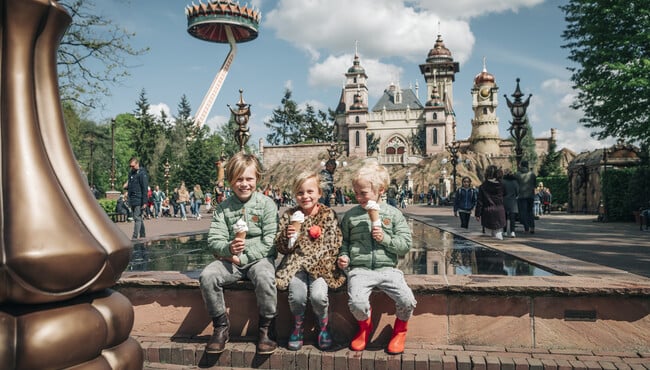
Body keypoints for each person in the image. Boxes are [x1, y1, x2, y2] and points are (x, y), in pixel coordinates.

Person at [199, 152, 279, 355]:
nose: (244, 184)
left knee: (265, 277)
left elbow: (270, 241)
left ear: (257, 179)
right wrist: (228, 249)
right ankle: (220, 326)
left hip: (259, 259)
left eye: (249, 179)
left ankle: (266, 328)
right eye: (239, 179)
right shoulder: (223, 208)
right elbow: (214, 240)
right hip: (230, 259)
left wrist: (241, 258)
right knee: (208, 276)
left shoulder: (267, 205)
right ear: (230, 181)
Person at [337, 161, 416, 355]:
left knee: (407, 300)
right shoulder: (351, 216)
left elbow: (405, 245)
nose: (358, 197)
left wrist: (385, 239)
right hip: (360, 269)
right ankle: (365, 327)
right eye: (355, 193)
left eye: (363, 193)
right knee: (357, 303)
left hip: (387, 269)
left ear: (381, 190)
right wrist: (344, 256)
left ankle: (400, 330)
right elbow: (343, 242)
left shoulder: (394, 214)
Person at [274, 171, 345, 351]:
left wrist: (317, 261)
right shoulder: (289, 215)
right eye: (300, 193)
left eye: (310, 191)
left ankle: (323, 327)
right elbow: (282, 248)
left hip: (321, 267)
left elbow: (334, 243)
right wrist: (287, 236)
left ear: (319, 193)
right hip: (295, 266)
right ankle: (297, 326)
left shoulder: (328, 214)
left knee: (318, 296)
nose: (305, 196)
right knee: (297, 296)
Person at [475, 165, 506, 240]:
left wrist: (478, 214)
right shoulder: (502, 185)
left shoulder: (483, 186)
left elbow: (480, 202)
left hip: (487, 212)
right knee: (498, 234)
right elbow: (505, 194)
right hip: (499, 211)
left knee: (487, 236)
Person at [124, 157, 148, 239]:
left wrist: (145, 202)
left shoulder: (142, 173)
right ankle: (143, 234)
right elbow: (130, 186)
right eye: (130, 166)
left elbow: (144, 188)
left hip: (139, 198)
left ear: (137, 164)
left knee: (136, 217)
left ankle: (134, 237)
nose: (132, 168)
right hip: (132, 199)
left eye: (133, 166)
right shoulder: (131, 173)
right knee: (139, 217)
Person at [516, 160, 537, 234]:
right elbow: (535, 185)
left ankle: (526, 228)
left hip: (521, 196)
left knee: (523, 212)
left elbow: (516, 185)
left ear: (521, 165)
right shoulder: (532, 174)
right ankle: (532, 227)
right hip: (530, 195)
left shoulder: (517, 174)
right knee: (530, 211)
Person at [501, 169, 519, 238]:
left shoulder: (503, 181)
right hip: (513, 201)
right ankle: (512, 232)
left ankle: (505, 231)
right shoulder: (515, 182)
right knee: (512, 218)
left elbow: (501, 191)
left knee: (504, 217)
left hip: (504, 200)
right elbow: (517, 191)